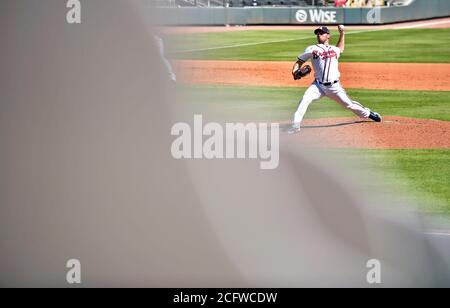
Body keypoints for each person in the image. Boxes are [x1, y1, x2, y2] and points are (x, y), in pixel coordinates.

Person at [287, 25, 382, 134]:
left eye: (321, 33)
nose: (319, 35)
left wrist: (342, 33)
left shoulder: (334, 49)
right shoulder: (312, 48)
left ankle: (368, 114)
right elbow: (299, 61)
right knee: (304, 100)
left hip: (334, 87)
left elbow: (340, 49)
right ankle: (295, 125)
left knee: (349, 104)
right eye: (317, 33)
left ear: (328, 35)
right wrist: (294, 71)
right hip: (318, 86)